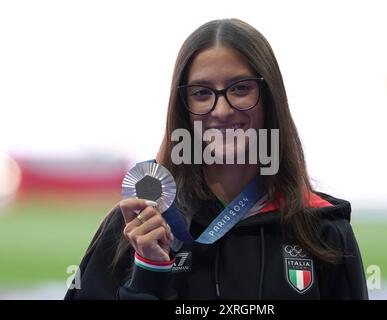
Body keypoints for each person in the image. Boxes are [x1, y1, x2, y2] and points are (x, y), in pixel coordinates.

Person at [65, 18, 368, 300]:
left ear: (270, 96)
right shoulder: (136, 225)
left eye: (240, 89)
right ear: (183, 106)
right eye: (201, 92)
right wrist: (147, 274)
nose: (221, 111)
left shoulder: (322, 229)